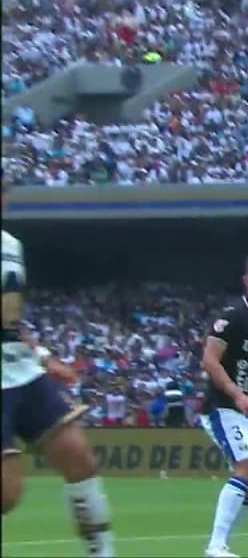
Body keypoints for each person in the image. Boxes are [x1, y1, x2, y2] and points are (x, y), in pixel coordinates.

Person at [2, 213, 117, 557]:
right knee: (7, 494)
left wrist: (43, 357)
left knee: (77, 456)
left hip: (22, 372)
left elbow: (11, 322)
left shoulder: (10, 245)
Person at [198, 253, 248, 558]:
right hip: (222, 406)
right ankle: (216, 546)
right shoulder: (233, 316)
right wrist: (237, 395)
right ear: (246, 280)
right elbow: (209, 359)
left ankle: (222, 544)